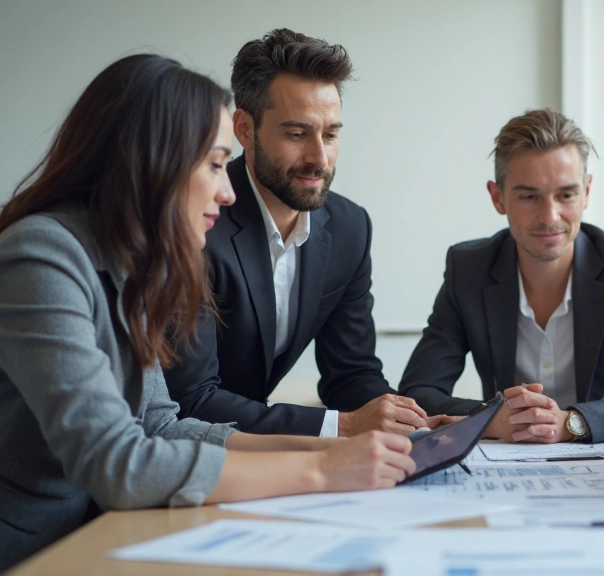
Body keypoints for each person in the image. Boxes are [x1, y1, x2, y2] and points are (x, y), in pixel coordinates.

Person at [0, 54, 415, 573]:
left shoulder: (133, 264)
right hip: (27, 549)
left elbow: (160, 424)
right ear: (153, 160)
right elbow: (117, 461)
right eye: (216, 163)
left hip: (106, 534)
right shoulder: (39, 256)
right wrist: (322, 470)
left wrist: (336, 446)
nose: (228, 190)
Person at [164, 29, 433, 438]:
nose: (319, 158)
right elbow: (192, 398)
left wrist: (413, 424)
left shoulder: (349, 227)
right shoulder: (198, 222)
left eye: (330, 134)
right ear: (244, 129)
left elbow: (351, 375)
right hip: (180, 455)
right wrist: (340, 426)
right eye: (297, 134)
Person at [399, 109, 604, 444]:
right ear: (497, 197)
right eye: (530, 196)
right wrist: (493, 419)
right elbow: (417, 394)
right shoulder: (468, 268)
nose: (550, 216)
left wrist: (575, 422)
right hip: (506, 468)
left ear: (586, 192)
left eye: (566, 194)